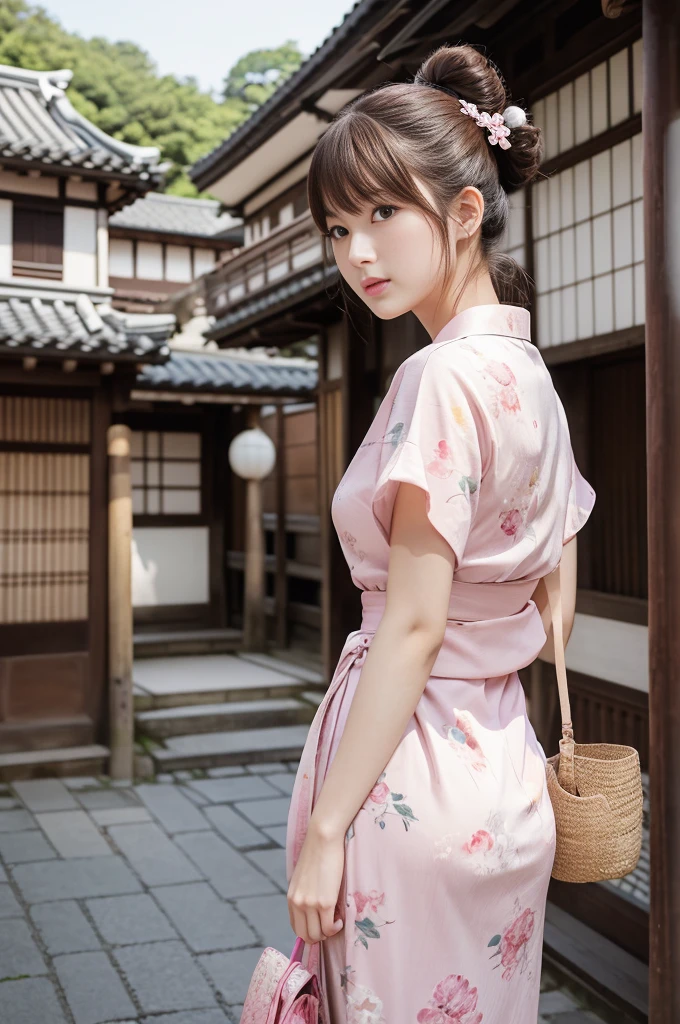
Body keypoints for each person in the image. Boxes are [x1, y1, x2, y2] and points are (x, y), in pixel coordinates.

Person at [284, 42, 595, 1024]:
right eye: (338, 227)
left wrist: (328, 825)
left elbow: (413, 627)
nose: (357, 252)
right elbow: (556, 604)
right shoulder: (527, 377)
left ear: (464, 212)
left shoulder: (438, 379)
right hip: (499, 773)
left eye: (383, 212)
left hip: (407, 773)